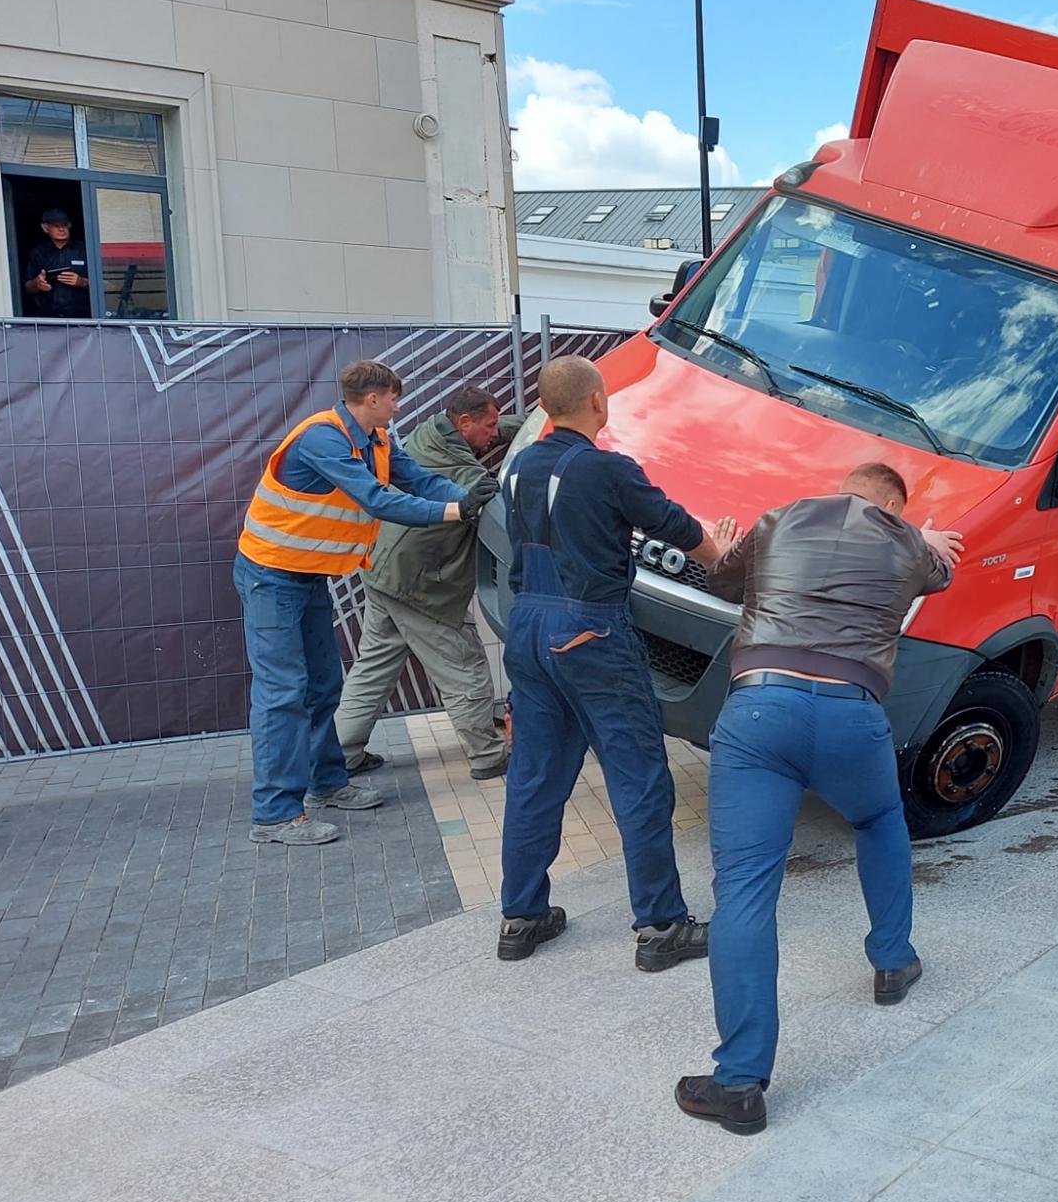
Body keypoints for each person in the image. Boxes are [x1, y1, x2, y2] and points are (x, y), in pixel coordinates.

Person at [675, 463, 963, 1136]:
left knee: (744, 891)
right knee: (878, 818)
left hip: (759, 711)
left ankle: (740, 1083)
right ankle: (893, 961)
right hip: (852, 714)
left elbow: (719, 577)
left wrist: (721, 543)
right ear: (895, 506)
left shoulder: (780, 519)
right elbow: (941, 573)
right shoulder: (910, 542)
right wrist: (923, 537)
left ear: (843, 489)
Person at [495, 355, 737, 970]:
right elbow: (676, 525)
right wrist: (722, 558)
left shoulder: (519, 464)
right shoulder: (608, 471)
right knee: (637, 777)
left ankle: (521, 919)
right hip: (591, 631)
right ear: (599, 402)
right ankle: (661, 929)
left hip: (528, 627)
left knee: (535, 777)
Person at [234, 361, 468, 846]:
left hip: (306, 573)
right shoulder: (323, 438)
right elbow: (377, 500)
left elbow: (419, 480)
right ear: (374, 398)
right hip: (270, 575)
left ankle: (326, 783)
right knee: (283, 691)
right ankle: (274, 815)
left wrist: (471, 495)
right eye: (394, 398)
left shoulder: (377, 441)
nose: (399, 407)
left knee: (322, 682)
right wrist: (455, 511)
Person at [333, 385, 520, 780]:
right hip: (418, 585)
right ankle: (487, 756)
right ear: (464, 422)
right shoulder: (462, 472)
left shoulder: (434, 432)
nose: (493, 435)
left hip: (384, 569)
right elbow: (490, 507)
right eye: (487, 427)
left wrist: (548, 422)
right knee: (463, 664)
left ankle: (340, 755)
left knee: (374, 667)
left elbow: (498, 427)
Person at [21, 208, 89, 319]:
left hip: (83, 319)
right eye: (56, 226)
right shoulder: (38, 252)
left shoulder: (85, 249)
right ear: (45, 228)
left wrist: (83, 282)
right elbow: (27, 288)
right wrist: (37, 284)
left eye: (65, 225)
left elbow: (105, 284)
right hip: (48, 320)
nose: (61, 229)